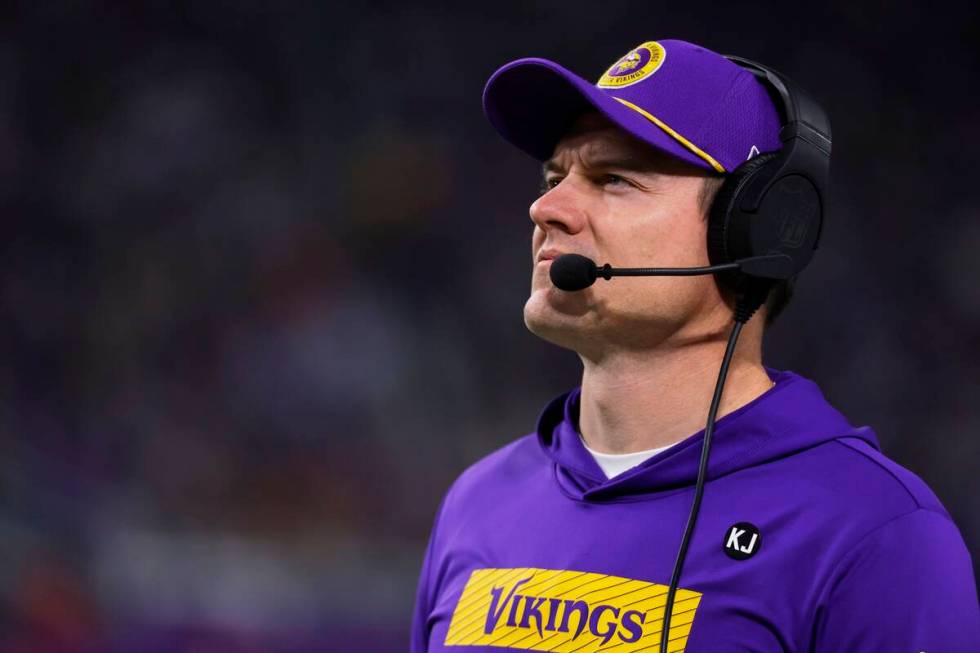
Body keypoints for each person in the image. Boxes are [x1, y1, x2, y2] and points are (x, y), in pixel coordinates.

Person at [410, 39, 979, 652]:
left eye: (614, 179)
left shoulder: (874, 531)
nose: (546, 207)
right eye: (555, 176)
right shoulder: (478, 502)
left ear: (756, 228)